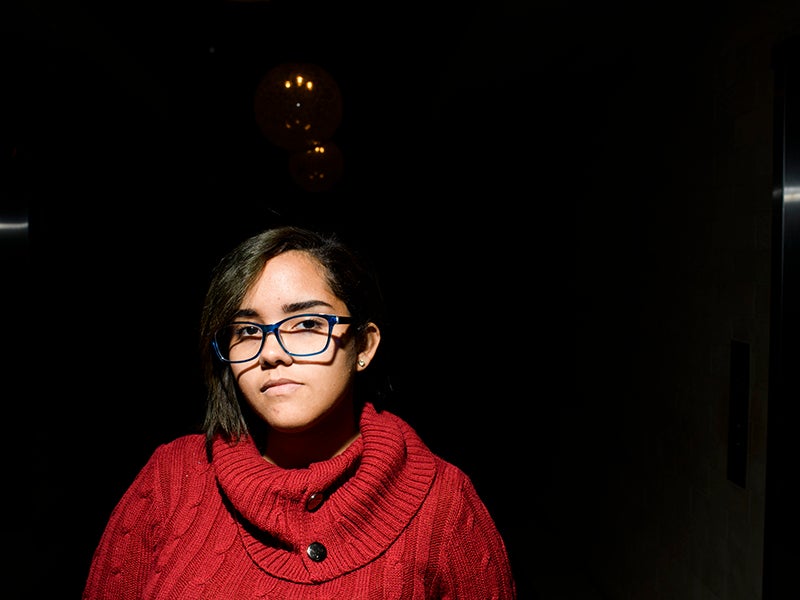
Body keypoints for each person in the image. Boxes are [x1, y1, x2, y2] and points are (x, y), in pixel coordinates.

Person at [82, 224, 517, 599]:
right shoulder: (172, 478)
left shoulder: (443, 504)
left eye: (308, 324)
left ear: (363, 345)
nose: (271, 353)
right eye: (248, 331)